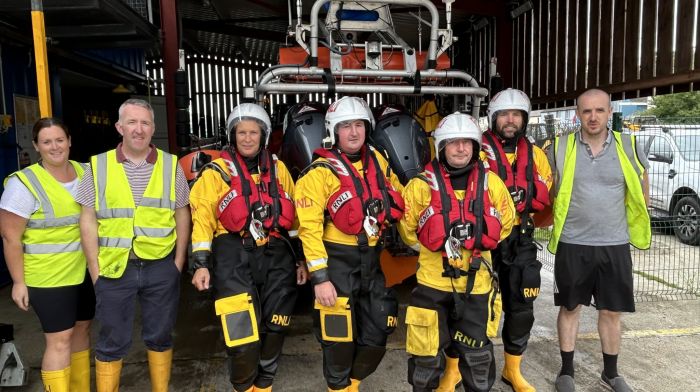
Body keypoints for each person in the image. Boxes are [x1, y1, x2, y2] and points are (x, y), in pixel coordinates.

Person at [75, 98, 191, 392]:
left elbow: (182, 213)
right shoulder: (97, 166)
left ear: (153, 128)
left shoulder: (172, 165)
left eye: (145, 123)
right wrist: (94, 267)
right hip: (114, 268)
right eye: (132, 122)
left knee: (160, 336)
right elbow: (87, 219)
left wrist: (178, 263)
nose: (138, 129)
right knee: (111, 341)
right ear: (119, 127)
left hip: (160, 266)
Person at [190, 103, 306, 392]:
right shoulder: (215, 172)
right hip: (232, 253)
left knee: (276, 325)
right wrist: (201, 263)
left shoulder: (279, 170)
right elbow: (202, 217)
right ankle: (243, 385)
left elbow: (294, 220)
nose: (247, 138)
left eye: (253, 132)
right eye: (241, 132)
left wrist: (300, 260)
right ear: (232, 135)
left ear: (264, 135)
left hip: (277, 253)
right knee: (241, 332)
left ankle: (264, 385)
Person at [294, 96, 404, 392]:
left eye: (359, 125)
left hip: (373, 260)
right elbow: (309, 229)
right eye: (345, 126)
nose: (353, 132)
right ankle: (341, 387)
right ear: (333, 131)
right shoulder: (317, 174)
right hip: (336, 263)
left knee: (379, 331)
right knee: (338, 341)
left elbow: (398, 197)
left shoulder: (378, 161)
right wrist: (320, 278)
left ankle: (351, 383)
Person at [399, 112, 515, 392]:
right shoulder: (419, 187)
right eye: (453, 143)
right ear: (441, 147)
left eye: (466, 142)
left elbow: (506, 224)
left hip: (477, 286)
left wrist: (475, 244)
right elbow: (407, 231)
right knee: (425, 361)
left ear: (475, 147)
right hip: (431, 285)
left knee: (477, 359)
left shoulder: (493, 185)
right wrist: (437, 248)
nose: (461, 148)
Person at [548, 89, 651, 392]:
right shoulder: (560, 146)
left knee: (611, 311)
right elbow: (551, 189)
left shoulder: (630, 146)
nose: (593, 117)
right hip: (572, 243)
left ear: (609, 113)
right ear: (577, 114)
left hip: (614, 244)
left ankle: (611, 373)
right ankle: (566, 372)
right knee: (570, 308)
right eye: (586, 111)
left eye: (599, 111)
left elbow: (641, 194)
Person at [0, 118, 94, 392]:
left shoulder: (86, 173)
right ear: (36, 146)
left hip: (85, 271)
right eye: (47, 142)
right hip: (49, 276)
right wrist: (18, 282)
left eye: (60, 140)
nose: (55, 147)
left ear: (70, 141)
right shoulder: (24, 183)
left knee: (82, 331)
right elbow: (10, 237)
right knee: (59, 340)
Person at [480, 88, 552, 392]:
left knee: (522, 305)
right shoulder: (475, 150)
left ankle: (513, 370)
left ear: (524, 119)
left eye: (517, 115)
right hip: (483, 238)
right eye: (505, 115)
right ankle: (464, 367)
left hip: (520, 237)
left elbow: (545, 189)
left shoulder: (535, 155)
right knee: (473, 305)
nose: (511, 120)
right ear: (494, 118)